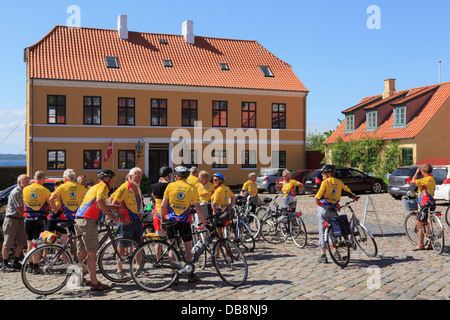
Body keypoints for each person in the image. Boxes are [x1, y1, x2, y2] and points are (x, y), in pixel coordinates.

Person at [74, 170, 124, 291]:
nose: (113, 182)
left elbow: (96, 204)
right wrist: (111, 216)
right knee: (92, 254)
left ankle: (78, 278)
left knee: (82, 252)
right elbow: (100, 201)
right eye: (112, 179)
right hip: (88, 221)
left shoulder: (94, 187)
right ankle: (95, 283)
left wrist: (113, 207)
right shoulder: (103, 187)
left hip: (79, 218)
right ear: (107, 179)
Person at [160, 166, 207, 283]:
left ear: (176, 176)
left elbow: (163, 205)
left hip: (171, 220)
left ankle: (174, 275)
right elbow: (198, 207)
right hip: (184, 221)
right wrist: (204, 221)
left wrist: (162, 220)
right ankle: (190, 274)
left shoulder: (170, 186)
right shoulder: (191, 188)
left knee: (172, 247)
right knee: (188, 247)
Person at [314, 165, 358, 263]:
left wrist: (318, 200)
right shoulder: (339, 182)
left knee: (322, 231)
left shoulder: (325, 182)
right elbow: (347, 190)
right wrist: (354, 196)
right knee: (334, 231)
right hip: (334, 210)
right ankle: (337, 253)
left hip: (324, 210)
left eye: (323, 173)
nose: (321, 175)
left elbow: (318, 196)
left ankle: (324, 256)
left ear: (327, 173)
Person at [110, 167, 144, 277]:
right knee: (122, 245)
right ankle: (120, 270)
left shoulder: (137, 187)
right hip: (126, 221)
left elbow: (138, 202)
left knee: (138, 244)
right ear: (130, 177)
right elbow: (114, 204)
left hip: (136, 220)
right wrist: (122, 218)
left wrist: (140, 213)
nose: (138, 179)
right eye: (136, 176)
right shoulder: (124, 188)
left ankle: (139, 267)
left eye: (140, 177)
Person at [49, 169, 87, 242]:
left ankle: (64, 253)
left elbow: (51, 199)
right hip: (77, 216)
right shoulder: (81, 187)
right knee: (76, 240)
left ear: (65, 178)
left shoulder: (62, 187)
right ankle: (74, 253)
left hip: (64, 217)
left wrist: (55, 212)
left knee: (64, 241)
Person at [2, 174, 30, 272]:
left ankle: (16, 261)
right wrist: (27, 217)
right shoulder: (17, 191)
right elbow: (19, 208)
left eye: (28, 181)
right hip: (12, 219)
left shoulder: (24, 191)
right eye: (26, 181)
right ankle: (5, 264)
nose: (28, 183)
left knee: (22, 241)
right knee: (8, 242)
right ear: (19, 182)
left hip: (19, 220)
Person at [23, 171, 51, 256]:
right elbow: (49, 205)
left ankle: (29, 264)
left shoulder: (25, 189)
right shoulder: (45, 190)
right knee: (37, 243)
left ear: (34, 178)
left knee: (29, 242)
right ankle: (35, 265)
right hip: (39, 218)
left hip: (27, 218)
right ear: (43, 179)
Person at [411, 163, 436, 251]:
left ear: (423, 171)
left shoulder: (425, 179)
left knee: (420, 223)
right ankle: (429, 243)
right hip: (432, 202)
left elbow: (412, 182)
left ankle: (420, 244)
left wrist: (416, 172)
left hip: (424, 203)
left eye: (421, 170)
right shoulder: (432, 179)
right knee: (428, 222)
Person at [152, 166, 173, 236]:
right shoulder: (171, 185)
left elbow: (153, 195)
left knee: (159, 237)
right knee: (171, 237)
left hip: (158, 211)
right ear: (169, 175)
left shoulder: (155, 185)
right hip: (169, 212)